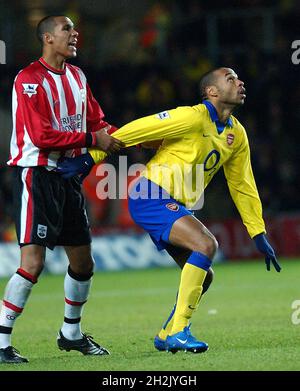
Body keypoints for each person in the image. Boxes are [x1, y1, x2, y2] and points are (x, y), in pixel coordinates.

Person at [57, 67, 281, 354]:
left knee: (205, 275)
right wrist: (91, 158)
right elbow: (137, 130)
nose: (240, 82)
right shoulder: (190, 116)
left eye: (239, 78)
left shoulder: (236, 134)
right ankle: (179, 331)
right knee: (205, 243)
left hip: (172, 203)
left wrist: (257, 231)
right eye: (231, 79)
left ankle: (166, 333)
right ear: (211, 92)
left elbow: (242, 184)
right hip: (149, 194)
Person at [0, 15, 124, 364]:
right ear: (47, 38)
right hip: (36, 176)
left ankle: (70, 334)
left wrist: (136, 138)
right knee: (33, 263)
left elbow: (98, 124)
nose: (75, 34)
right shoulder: (28, 80)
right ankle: (2, 339)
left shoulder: (78, 77)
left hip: (68, 179)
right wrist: (90, 140)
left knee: (83, 263)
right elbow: (40, 137)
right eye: (67, 29)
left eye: (74, 29)